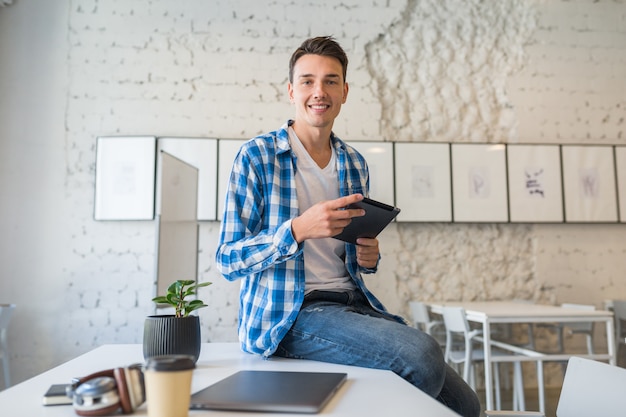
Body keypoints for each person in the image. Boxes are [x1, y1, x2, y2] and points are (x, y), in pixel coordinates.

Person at [215, 36, 480, 417]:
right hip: (291, 315)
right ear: (291, 91)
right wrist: (298, 229)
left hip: (352, 304)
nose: (318, 91)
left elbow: (353, 255)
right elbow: (227, 259)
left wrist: (368, 255)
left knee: (467, 407)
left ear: (345, 92)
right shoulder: (256, 156)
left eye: (330, 81)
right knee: (421, 356)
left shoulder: (353, 163)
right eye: (307, 81)